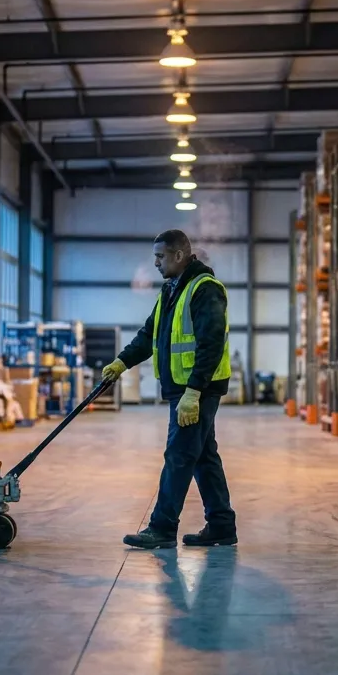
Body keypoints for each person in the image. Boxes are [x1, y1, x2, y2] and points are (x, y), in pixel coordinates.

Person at [101, 229, 238, 549]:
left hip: (197, 389)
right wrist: (122, 362)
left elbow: (211, 343)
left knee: (179, 455)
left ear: (179, 255)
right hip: (183, 388)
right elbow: (151, 334)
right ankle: (221, 525)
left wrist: (194, 391)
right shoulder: (172, 290)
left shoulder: (205, 289)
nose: (156, 264)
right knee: (203, 456)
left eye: (160, 257)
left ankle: (162, 527)